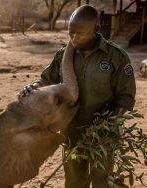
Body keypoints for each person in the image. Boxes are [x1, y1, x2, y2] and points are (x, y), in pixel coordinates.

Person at [19, 5, 136, 188]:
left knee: (102, 180)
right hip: (72, 133)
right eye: (70, 32)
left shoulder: (116, 57)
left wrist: (107, 124)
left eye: (80, 34)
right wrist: (33, 87)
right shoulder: (63, 56)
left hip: (102, 137)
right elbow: (46, 79)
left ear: (96, 30)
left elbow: (125, 97)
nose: (73, 38)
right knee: (74, 180)